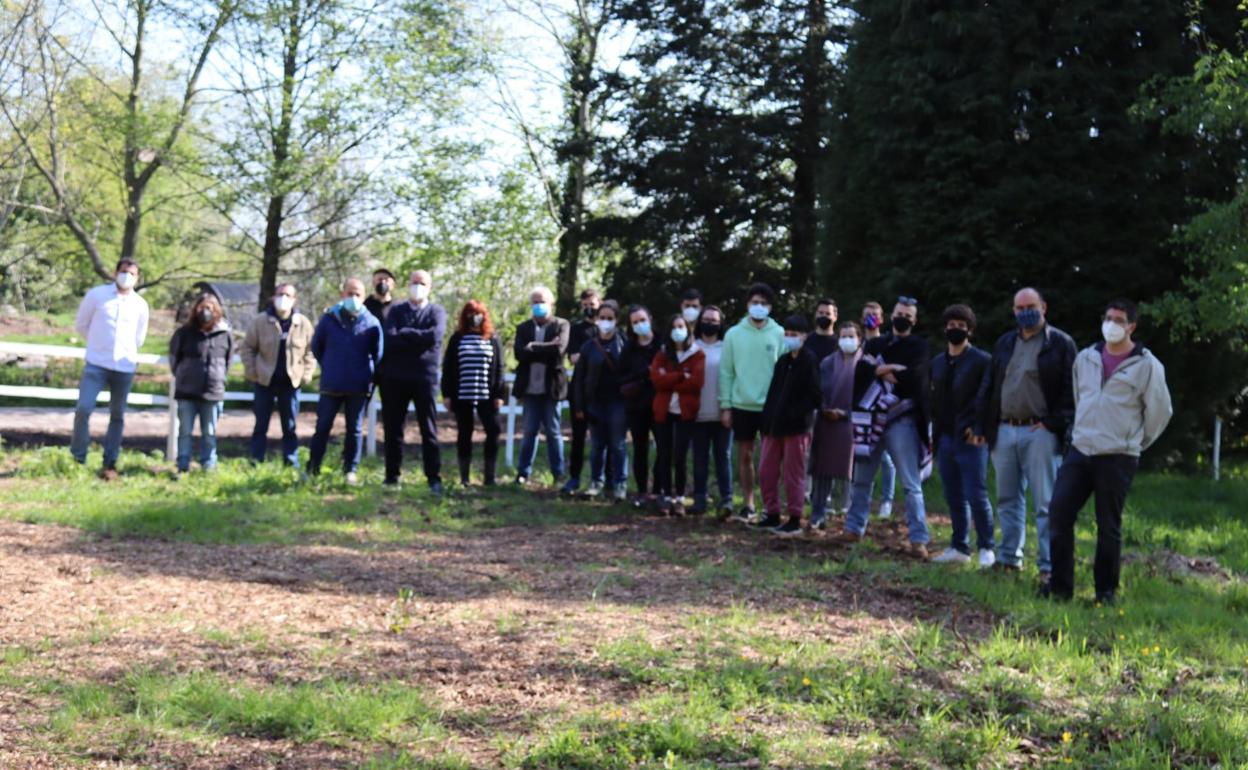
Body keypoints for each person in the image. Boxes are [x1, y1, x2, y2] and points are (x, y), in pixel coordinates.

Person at [1045, 299, 1172, 604]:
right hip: (1081, 449)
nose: (1112, 324)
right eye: (1108, 318)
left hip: (1118, 455)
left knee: (1108, 525)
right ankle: (1060, 588)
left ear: (1131, 326)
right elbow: (1080, 397)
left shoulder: (1147, 366)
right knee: (1059, 514)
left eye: (1119, 319)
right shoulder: (1086, 358)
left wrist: (1135, 443)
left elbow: (1160, 412)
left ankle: (1105, 592)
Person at [986, 287, 1077, 582]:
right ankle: (1009, 558)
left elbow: (1071, 390)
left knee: (1046, 502)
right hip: (1004, 428)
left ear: (1044, 307)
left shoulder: (1060, 344)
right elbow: (991, 385)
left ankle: (1049, 566)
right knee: (1007, 498)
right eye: (1019, 307)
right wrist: (984, 424)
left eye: (1031, 305)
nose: (1025, 311)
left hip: (1040, 430)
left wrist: (1054, 423)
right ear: (1013, 311)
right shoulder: (1004, 342)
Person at [833, 297, 932, 558]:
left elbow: (916, 378)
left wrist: (879, 369)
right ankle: (854, 527)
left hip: (902, 420)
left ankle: (919, 538)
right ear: (892, 315)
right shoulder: (876, 343)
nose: (904, 319)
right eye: (900, 314)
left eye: (908, 316)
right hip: (870, 420)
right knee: (862, 479)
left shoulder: (920, 346)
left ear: (914, 320)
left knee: (911, 483)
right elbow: (861, 373)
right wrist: (891, 369)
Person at [928, 305, 996, 567]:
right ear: (945, 328)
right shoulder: (937, 362)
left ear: (970, 330)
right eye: (951, 325)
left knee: (976, 493)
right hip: (945, 437)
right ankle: (959, 546)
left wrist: (980, 429)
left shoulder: (982, 361)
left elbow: (988, 397)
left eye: (961, 325)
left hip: (971, 438)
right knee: (952, 493)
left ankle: (987, 547)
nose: (955, 329)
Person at [71, 258, 150, 480]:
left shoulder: (140, 305)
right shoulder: (97, 295)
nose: (127, 276)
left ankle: (110, 461)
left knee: (117, 415)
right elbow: (81, 325)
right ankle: (78, 457)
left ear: (137, 277)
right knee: (83, 409)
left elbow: (139, 337)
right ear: (115, 273)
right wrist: (98, 345)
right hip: (97, 363)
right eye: (124, 271)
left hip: (124, 367)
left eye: (132, 273)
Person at [719, 283, 785, 521]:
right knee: (745, 455)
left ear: (770, 307)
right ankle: (748, 502)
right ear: (747, 305)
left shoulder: (779, 334)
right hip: (742, 404)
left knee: (771, 460)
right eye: (755, 303)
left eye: (764, 303)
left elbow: (784, 371)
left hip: (771, 407)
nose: (759, 307)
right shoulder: (733, 335)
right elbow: (726, 372)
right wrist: (725, 405)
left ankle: (771, 503)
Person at [308, 279, 384, 483]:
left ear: (364, 295)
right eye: (350, 293)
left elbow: (378, 354)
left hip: (358, 386)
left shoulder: (372, 322)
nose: (353, 298)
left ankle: (350, 470)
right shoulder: (328, 319)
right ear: (342, 295)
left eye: (358, 294)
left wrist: (364, 372)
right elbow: (316, 346)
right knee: (322, 427)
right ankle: (313, 469)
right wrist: (330, 365)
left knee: (355, 429)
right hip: (331, 385)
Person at [379, 269, 447, 492]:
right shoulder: (396, 310)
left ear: (430, 287)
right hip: (395, 379)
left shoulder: (437, 311)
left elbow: (434, 337)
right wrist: (418, 338)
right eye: (414, 282)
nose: (418, 286)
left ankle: (433, 478)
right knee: (393, 429)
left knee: (428, 430)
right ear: (408, 284)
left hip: (425, 380)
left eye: (423, 283)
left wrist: (406, 334)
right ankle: (391, 476)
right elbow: (390, 339)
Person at [756, 315, 821, 536]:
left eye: (795, 334)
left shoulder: (809, 360)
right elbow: (773, 393)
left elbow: (814, 396)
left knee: (794, 473)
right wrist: (767, 420)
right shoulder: (783, 361)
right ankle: (771, 513)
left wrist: (794, 414)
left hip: (796, 427)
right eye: (787, 333)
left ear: (805, 336)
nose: (790, 338)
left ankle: (795, 517)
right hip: (773, 426)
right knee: (766, 470)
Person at [243, 283, 316, 467]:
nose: (284, 298)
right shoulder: (260, 321)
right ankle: (256, 460)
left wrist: (307, 374)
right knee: (261, 425)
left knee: (290, 426)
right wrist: (253, 372)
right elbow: (247, 348)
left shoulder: (303, 324)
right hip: (264, 381)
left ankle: (291, 462)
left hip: (290, 383)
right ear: (273, 297)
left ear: (295, 300)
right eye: (280, 294)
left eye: (288, 295)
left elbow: (311, 351)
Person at [441, 301, 506, 485]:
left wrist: (499, 394)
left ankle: (490, 477)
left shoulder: (492, 338)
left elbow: (500, 367)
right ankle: (464, 477)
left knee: (493, 430)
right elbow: (448, 368)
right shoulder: (457, 338)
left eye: (477, 313)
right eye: (470, 313)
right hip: (462, 395)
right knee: (464, 433)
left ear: (484, 316)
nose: (474, 317)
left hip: (487, 396)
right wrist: (447, 394)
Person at [169, 294, 233, 474]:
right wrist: (184, 376)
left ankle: (208, 466)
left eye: (210, 308)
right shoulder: (184, 333)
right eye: (202, 308)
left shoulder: (225, 335)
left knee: (209, 433)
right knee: (185, 432)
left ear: (217, 311)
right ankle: (182, 465)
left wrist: (218, 378)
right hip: (187, 392)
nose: (206, 312)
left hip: (213, 391)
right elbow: (174, 359)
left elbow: (227, 362)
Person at [572, 300, 629, 501]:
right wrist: (579, 404)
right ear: (596, 320)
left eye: (610, 318)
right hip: (594, 402)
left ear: (617, 320)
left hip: (618, 402)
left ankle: (620, 484)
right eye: (602, 318)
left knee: (618, 444)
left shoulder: (625, 343)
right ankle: (596, 482)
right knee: (597, 445)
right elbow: (579, 377)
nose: (605, 322)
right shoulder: (588, 346)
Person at [513, 286, 569, 485]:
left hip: (551, 389)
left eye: (542, 301)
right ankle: (523, 473)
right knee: (529, 432)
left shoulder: (562, 325)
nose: (539, 305)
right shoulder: (523, 328)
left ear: (551, 303)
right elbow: (519, 354)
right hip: (529, 389)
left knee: (554, 433)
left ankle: (558, 474)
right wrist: (545, 348)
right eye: (535, 301)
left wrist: (532, 347)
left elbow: (559, 351)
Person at [650, 313, 705, 515]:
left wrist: (670, 379)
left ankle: (680, 497)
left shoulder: (697, 354)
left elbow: (696, 383)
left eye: (681, 326)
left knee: (680, 456)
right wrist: (682, 375)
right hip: (664, 412)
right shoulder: (662, 354)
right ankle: (665, 496)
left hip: (685, 413)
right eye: (674, 327)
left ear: (688, 329)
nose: (678, 330)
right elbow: (656, 381)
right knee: (664, 454)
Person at [810, 320, 863, 530]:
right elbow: (817, 390)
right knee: (822, 469)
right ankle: (818, 512)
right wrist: (825, 409)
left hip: (854, 423)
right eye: (844, 336)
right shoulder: (827, 363)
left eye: (852, 336)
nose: (847, 340)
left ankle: (851, 515)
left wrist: (846, 413)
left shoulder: (865, 364)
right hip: (827, 421)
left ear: (859, 339)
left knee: (854, 471)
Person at [687, 306, 733, 516]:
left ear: (721, 323)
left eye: (714, 320)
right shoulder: (691, 347)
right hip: (697, 415)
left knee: (723, 457)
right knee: (699, 459)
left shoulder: (728, 347)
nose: (710, 323)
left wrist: (728, 408)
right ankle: (699, 498)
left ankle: (727, 499)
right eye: (706, 319)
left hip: (722, 413)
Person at [620, 304, 661, 506]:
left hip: (661, 405)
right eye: (635, 322)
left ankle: (659, 490)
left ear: (650, 319)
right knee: (640, 449)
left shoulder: (662, 344)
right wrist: (645, 377)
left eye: (642, 320)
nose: (640, 325)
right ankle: (642, 491)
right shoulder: (628, 349)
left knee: (663, 449)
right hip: (637, 407)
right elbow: (622, 376)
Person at [562, 288, 602, 495]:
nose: (589, 309)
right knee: (578, 438)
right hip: (579, 391)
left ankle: (602, 480)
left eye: (592, 304)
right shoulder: (577, 329)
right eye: (585, 305)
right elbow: (574, 358)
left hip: (601, 392)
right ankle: (574, 478)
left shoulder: (606, 329)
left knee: (602, 439)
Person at [861, 299, 896, 519]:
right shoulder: (856, 341)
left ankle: (887, 500)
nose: (870, 318)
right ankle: (862, 499)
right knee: (863, 453)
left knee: (886, 457)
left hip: (882, 403)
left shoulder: (887, 343)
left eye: (875, 314)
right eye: (867, 314)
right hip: (861, 404)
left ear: (882, 319)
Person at [804, 298, 840, 364]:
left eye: (828, 314)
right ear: (815, 315)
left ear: (835, 317)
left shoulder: (839, 343)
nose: (824, 316)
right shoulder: (805, 340)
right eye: (821, 313)